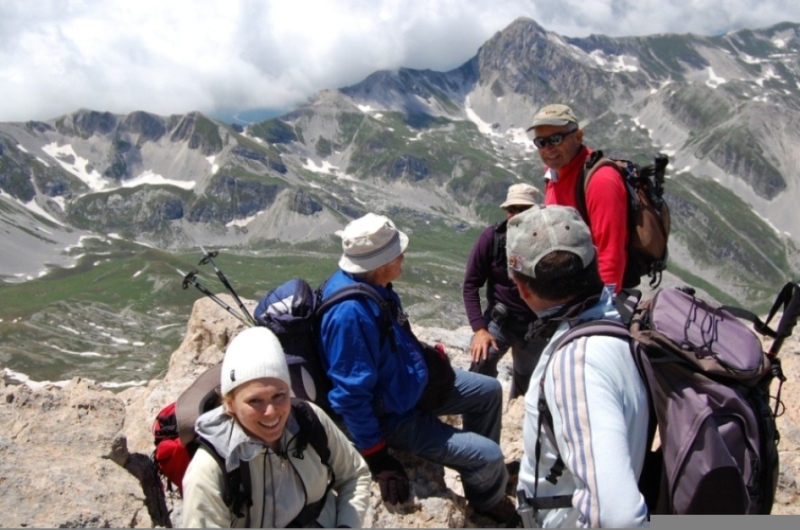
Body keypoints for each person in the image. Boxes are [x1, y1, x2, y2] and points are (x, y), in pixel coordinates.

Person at [318, 212, 520, 527]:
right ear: (381, 264)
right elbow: (350, 395)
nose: (404, 256)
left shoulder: (373, 285)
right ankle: (487, 499)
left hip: (409, 389)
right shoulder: (350, 315)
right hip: (395, 418)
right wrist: (377, 456)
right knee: (491, 455)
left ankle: (479, 474)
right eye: (398, 253)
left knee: (489, 390)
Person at [506, 205, 650, 528]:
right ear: (592, 262)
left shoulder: (577, 366)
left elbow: (620, 518)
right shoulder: (615, 318)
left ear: (522, 286)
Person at [181, 326, 371, 528]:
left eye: (279, 395)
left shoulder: (308, 420)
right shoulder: (209, 470)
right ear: (230, 404)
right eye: (255, 401)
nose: (271, 411)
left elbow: (354, 475)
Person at [527, 103, 630, 291]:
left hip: (594, 292)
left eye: (556, 139)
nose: (548, 148)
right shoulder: (553, 173)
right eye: (541, 142)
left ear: (578, 137)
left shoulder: (601, 181)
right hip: (570, 287)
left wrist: (602, 311)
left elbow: (611, 254)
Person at [463, 183, 547, 398]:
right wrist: (479, 329)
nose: (516, 216)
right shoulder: (492, 238)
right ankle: (479, 418)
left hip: (535, 325)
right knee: (481, 363)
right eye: (512, 210)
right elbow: (471, 284)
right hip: (500, 321)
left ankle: (516, 419)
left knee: (530, 382)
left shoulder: (548, 243)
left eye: (523, 210)